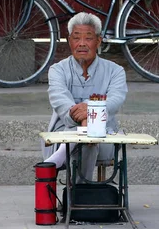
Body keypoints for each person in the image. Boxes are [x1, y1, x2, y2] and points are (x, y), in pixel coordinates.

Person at [42, 12, 128, 181]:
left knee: (91, 140)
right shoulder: (57, 70)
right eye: (76, 38)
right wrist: (86, 122)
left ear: (98, 41)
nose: (82, 44)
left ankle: (77, 193)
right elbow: (60, 102)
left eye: (88, 38)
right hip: (63, 136)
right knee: (87, 139)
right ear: (69, 41)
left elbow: (115, 101)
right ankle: (81, 194)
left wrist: (89, 115)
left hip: (104, 137)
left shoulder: (115, 71)